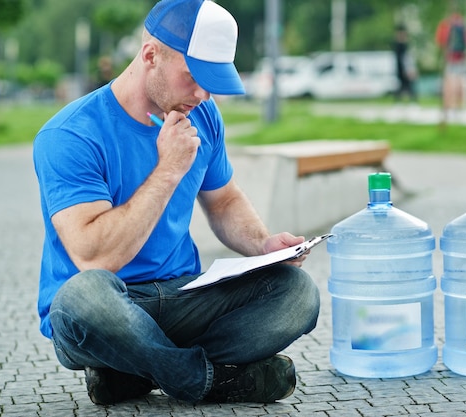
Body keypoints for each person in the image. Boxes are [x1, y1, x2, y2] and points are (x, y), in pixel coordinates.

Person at [33, 0, 320, 407]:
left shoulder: (202, 114)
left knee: (297, 293)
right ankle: (203, 381)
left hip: (183, 296)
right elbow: (95, 258)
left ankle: (133, 370)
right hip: (107, 306)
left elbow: (223, 201)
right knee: (82, 298)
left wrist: (262, 244)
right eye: (193, 77)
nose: (203, 94)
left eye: (212, 81)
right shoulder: (70, 135)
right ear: (150, 55)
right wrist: (168, 170)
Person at [435, 4, 466, 122]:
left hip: (454, 60)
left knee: (452, 86)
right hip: (458, 59)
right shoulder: (462, 25)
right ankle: (456, 110)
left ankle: (450, 109)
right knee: (458, 85)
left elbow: (440, 42)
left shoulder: (447, 25)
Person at [393, 24, 417, 102]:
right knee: (403, 86)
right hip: (401, 69)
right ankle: (399, 102)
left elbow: (407, 59)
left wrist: (409, 69)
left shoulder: (404, 46)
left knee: (409, 86)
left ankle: (412, 101)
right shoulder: (398, 46)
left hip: (404, 69)